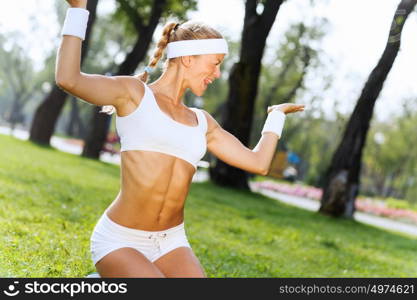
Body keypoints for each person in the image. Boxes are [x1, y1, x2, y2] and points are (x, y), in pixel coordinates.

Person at [57, 0, 305, 278]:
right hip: (121, 240)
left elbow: (259, 163)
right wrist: (78, 9)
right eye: (215, 64)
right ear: (188, 58)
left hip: (171, 242)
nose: (218, 74)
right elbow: (70, 79)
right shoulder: (134, 94)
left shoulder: (202, 122)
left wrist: (276, 116)